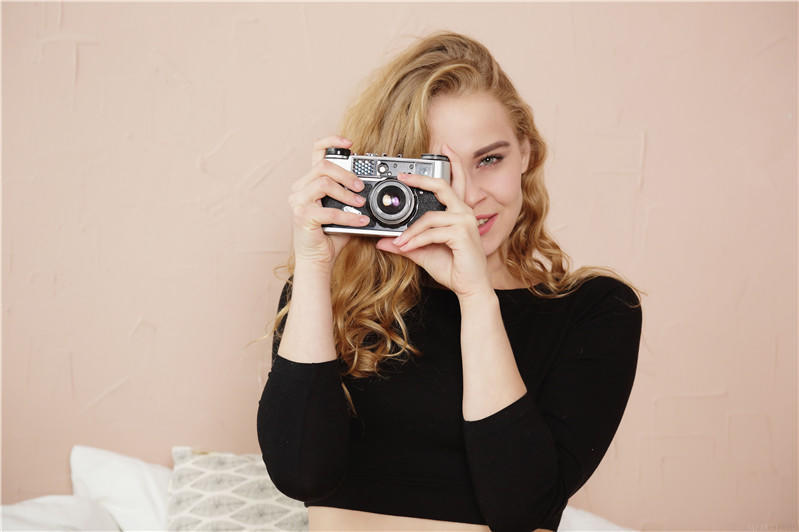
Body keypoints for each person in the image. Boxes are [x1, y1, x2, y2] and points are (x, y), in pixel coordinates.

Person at [256, 31, 643, 532]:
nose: (467, 197)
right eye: (436, 171)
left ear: (526, 153)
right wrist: (314, 266)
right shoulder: (335, 296)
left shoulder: (595, 311)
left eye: (490, 159)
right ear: (394, 174)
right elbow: (299, 474)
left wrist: (476, 296)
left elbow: (520, 508)